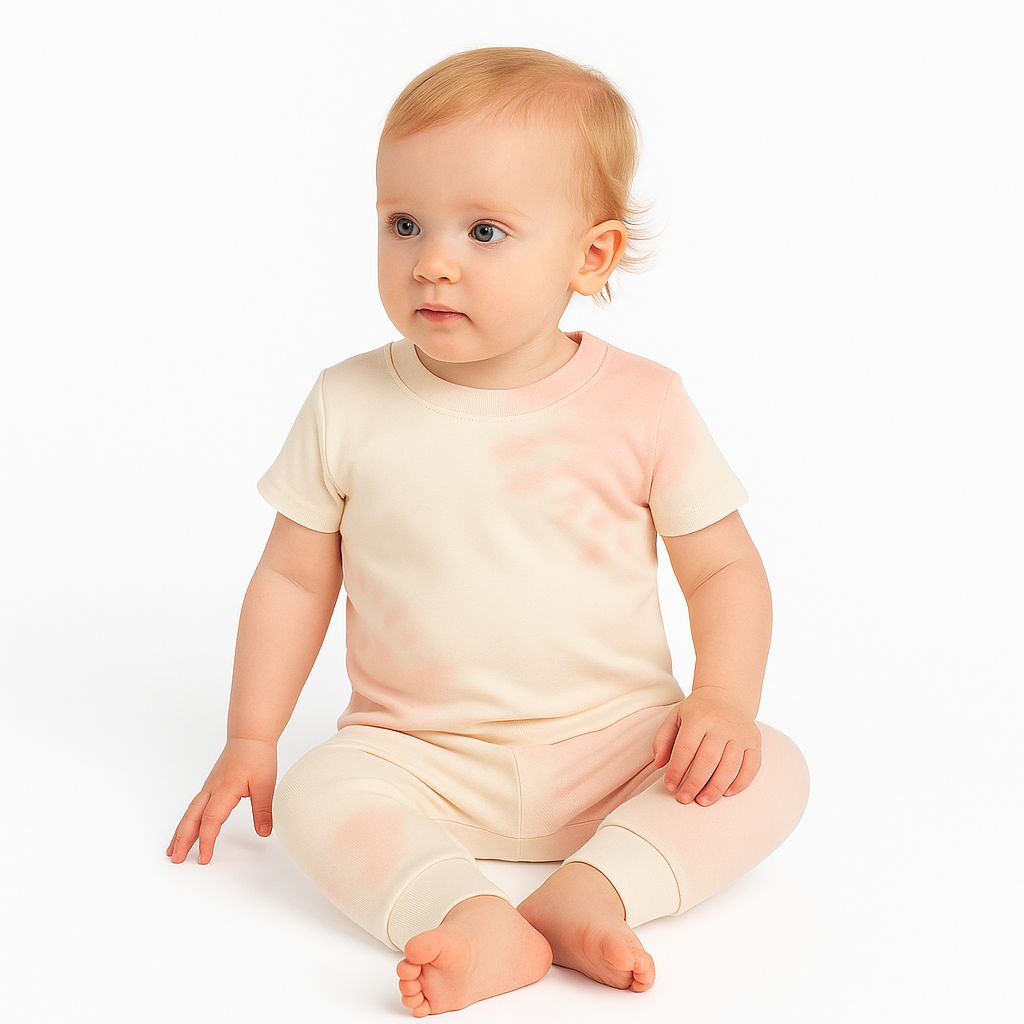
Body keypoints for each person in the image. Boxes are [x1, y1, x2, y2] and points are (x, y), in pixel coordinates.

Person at [166, 46, 810, 1018]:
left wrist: (722, 699)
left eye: (484, 230)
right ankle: (466, 914)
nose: (432, 259)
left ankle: (596, 889)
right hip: (418, 753)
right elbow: (294, 578)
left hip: (615, 745)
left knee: (771, 766)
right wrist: (251, 736)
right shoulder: (347, 402)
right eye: (404, 223)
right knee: (314, 792)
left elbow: (721, 567)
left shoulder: (643, 403)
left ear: (589, 257)